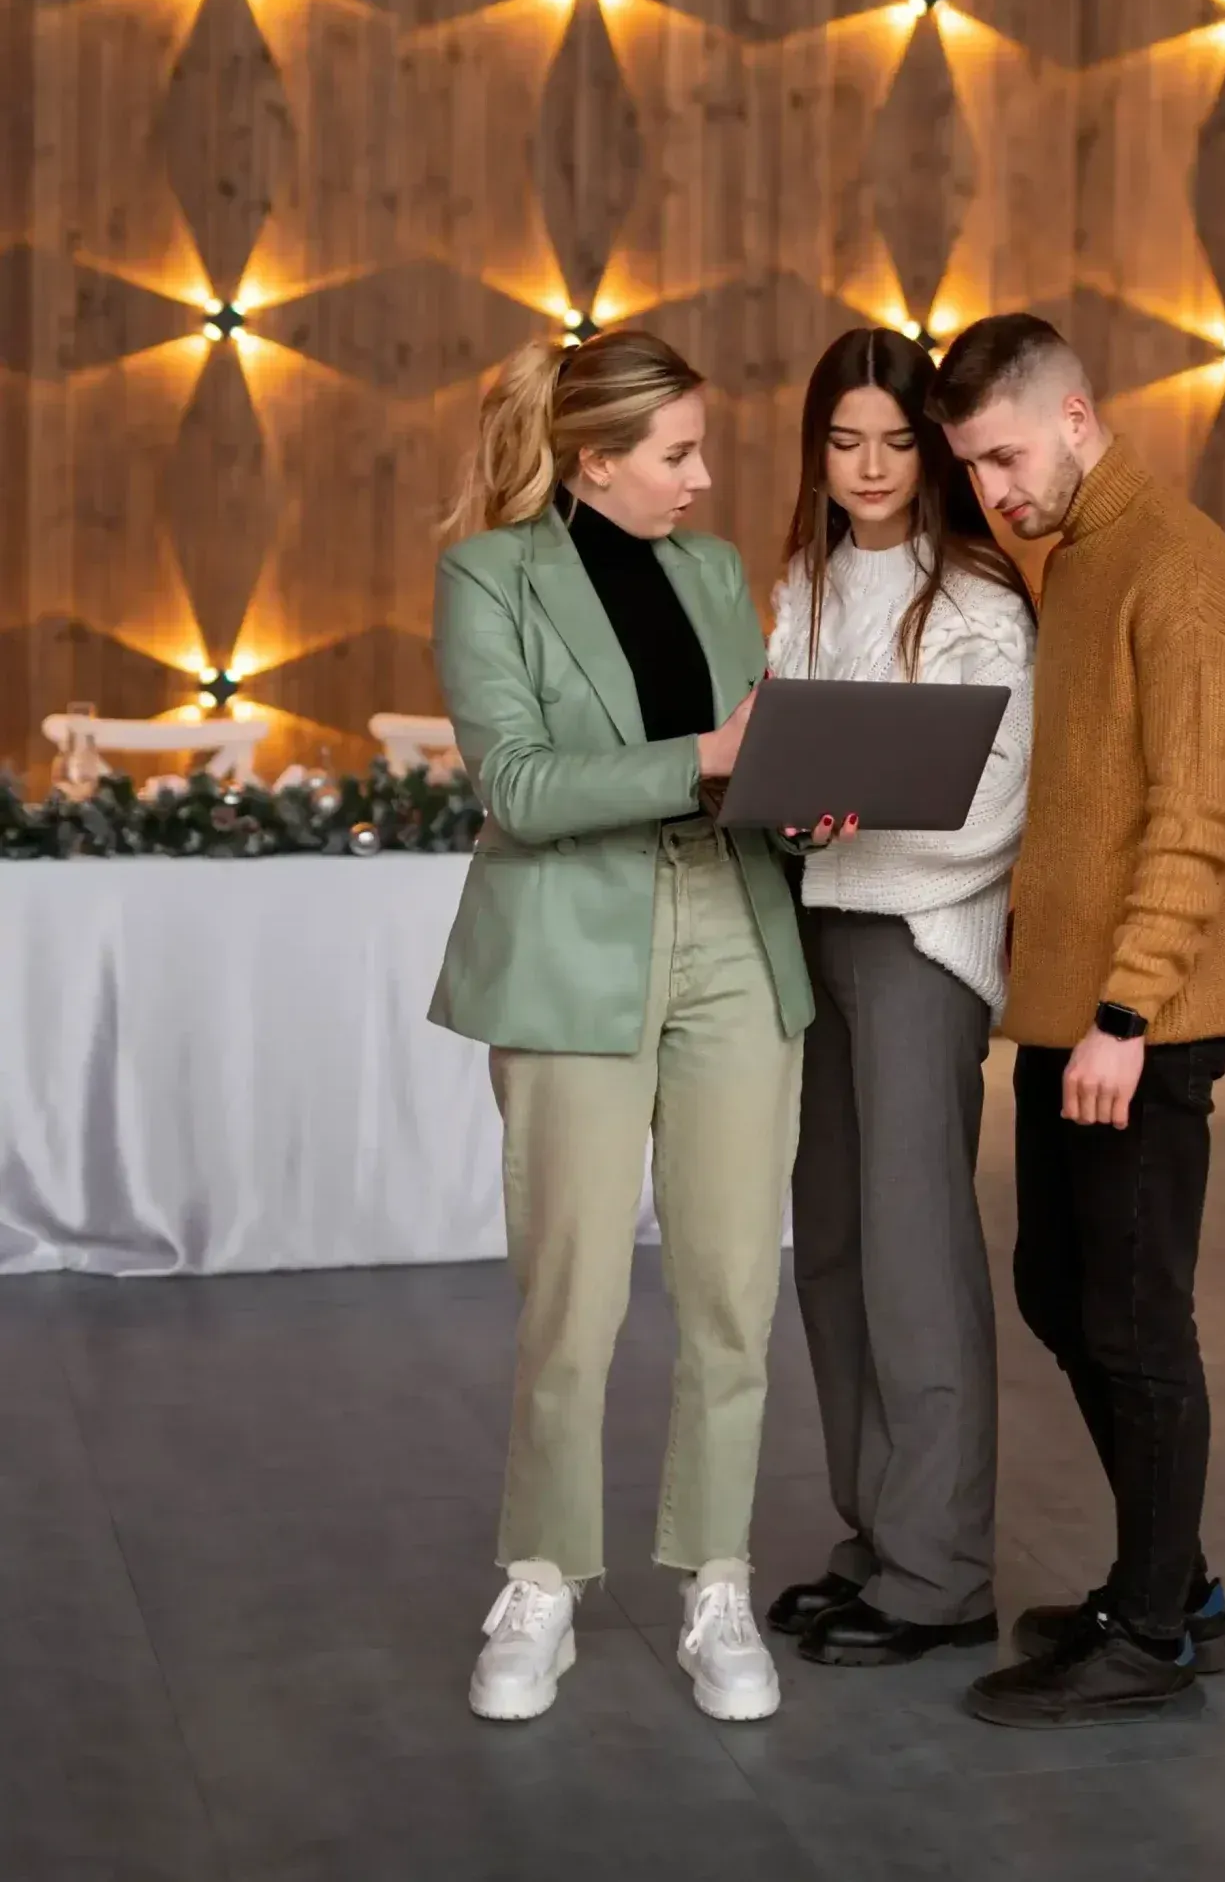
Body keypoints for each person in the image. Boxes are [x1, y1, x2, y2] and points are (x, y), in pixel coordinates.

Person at [430, 331, 813, 1726]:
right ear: (594, 461)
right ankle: (543, 1581)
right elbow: (521, 787)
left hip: (734, 924)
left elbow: (756, 760)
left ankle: (718, 1578)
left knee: (733, 1290)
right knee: (572, 1296)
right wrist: (711, 756)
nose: (700, 481)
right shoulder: (488, 575)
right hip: (569, 943)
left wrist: (801, 794)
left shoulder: (710, 573)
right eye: (676, 455)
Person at [926, 313, 1225, 1727]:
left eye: (1003, 456)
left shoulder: (1177, 562)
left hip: (1141, 1023)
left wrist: (1127, 1010)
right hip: (1066, 1017)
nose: (991, 490)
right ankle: (1173, 1587)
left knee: (1134, 1322)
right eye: (971, 467)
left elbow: (1199, 807)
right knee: (1061, 1294)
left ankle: (1154, 1632)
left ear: (1075, 416)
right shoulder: (1070, 558)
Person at [762, 328, 1035, 1666]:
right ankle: (877, 1533)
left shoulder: (979, 599)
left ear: (931, 449)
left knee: (915, 1256)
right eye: (842, 441)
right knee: (830, 1249)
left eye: (894, 441)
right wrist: (796, 820)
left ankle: (941, 1577)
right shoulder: (802, 584)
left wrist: (845, 824)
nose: (868, 467)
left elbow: (993, 810)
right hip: (813, 934)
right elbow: (774, 757)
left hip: (921, 946)